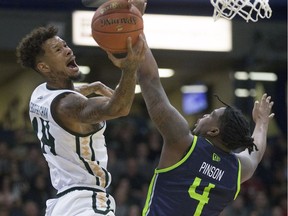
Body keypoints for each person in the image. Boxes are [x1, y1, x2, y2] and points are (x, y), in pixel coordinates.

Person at [15, 22, 147, 216]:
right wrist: (130, 69)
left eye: (65, 45)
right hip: (87, 203)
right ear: (44, 66)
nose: (67, 51)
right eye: (58, 50)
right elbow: (119, 108)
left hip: (61, 204)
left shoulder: (39, 95)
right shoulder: (69, 106)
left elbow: (67, 92)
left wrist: (94, 86)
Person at [137, 47, 274, 216]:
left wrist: (136, 32)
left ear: (214, 131)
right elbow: (255, 155)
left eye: (211, 115)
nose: (205, 115)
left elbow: (149, 79)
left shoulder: (183, 143)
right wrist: (262, 123)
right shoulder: (238, 169)